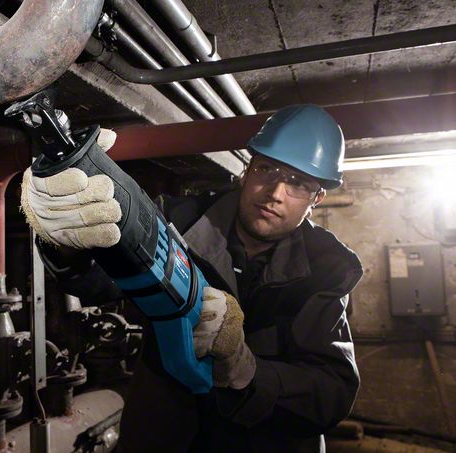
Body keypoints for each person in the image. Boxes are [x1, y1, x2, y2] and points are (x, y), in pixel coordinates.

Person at [21, 104, 363, 452]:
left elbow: (331, 393)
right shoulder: (179, 220)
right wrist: (66, 243)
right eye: (267, 169)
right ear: (247, 170)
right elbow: (99, 280)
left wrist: (247, 371)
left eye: (298, 184)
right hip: (164, 435)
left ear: (317, 198)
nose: (275, 192)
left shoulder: (327, 270)